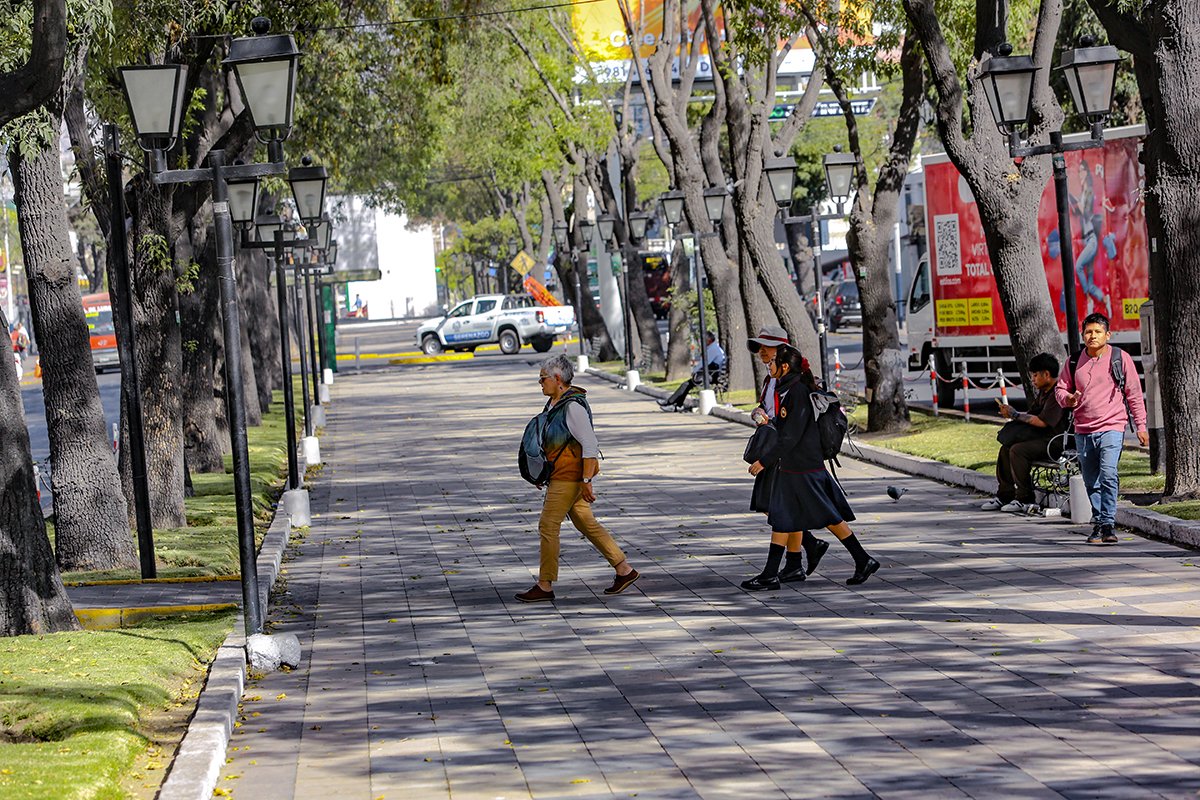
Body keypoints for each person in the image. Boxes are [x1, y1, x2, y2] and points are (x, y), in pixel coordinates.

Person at [746, 346, 878, 588]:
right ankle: (775, 572)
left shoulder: (796, 391)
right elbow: (790, 428)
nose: (769, 366)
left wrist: (764, 461)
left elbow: (790, 436)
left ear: (785, 366)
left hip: (802, 467)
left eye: (772, 362)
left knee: (820, 516)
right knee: (788, 518)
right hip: (798, 466)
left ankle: (861, 559)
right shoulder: (792, 389)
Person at [515, 354, 640, 602]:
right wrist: (542, 472)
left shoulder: (572, 406)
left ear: (557, 379)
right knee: (585, 523)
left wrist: (586, 481)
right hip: (561, 475)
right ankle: (624, 570)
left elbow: (590, 444)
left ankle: (545, 585)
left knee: (548, 525)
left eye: (543, 379)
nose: (540, 383)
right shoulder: (556, 403)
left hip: (570, 478)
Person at [1055, 313, 1148, 545]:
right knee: (1090, 481)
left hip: (1112, 426)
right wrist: (1068, 399)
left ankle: (1108, 523)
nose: (1092, 336)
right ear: (1082, 335)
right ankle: (1098, 522)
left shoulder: (1120, 358)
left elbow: (1134, 394)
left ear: (1108, 335)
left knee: (1108, 474)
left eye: (1097, 332)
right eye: (1088, 332)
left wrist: (1141, 426)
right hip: (1083, 430)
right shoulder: (1074, 361)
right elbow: (1060, 389)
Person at [744, 326, 826, 582]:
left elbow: (791, 421)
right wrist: (759, 413)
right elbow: (765, 406)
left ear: (781, 351)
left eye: (766, 347)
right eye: (760, 347)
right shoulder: (770, 379)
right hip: (773, 446)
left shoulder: (792, 381)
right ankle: (800, 555)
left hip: (784, 452)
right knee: (773, 506)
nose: (761, 352)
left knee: (781, 508)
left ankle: (794, 559)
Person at [981, 352, 1070, 513]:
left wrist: (1015, 414)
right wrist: (1013, 414)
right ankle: (1005, 495)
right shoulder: (1043, 393)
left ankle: (1024, 498)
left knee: (1018, 450)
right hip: (1040, 438)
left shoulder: (1057, 394)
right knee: (1006, 448)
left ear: (1046, 374)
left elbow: (1042, 422)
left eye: (1035, 375)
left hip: (1054, 442)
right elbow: (1032, 414)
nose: (1033, 380)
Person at [658, 331, 726, 410]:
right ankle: (675, 405)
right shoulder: (714, 348)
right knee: (686, 385)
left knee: (686, 385)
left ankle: (670, 403)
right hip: (710, 374)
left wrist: (694, 371)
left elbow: (704, 363)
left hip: (711, 376)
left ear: (709, 340)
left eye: (704, 340)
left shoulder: (713, 349)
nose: (702, 342)